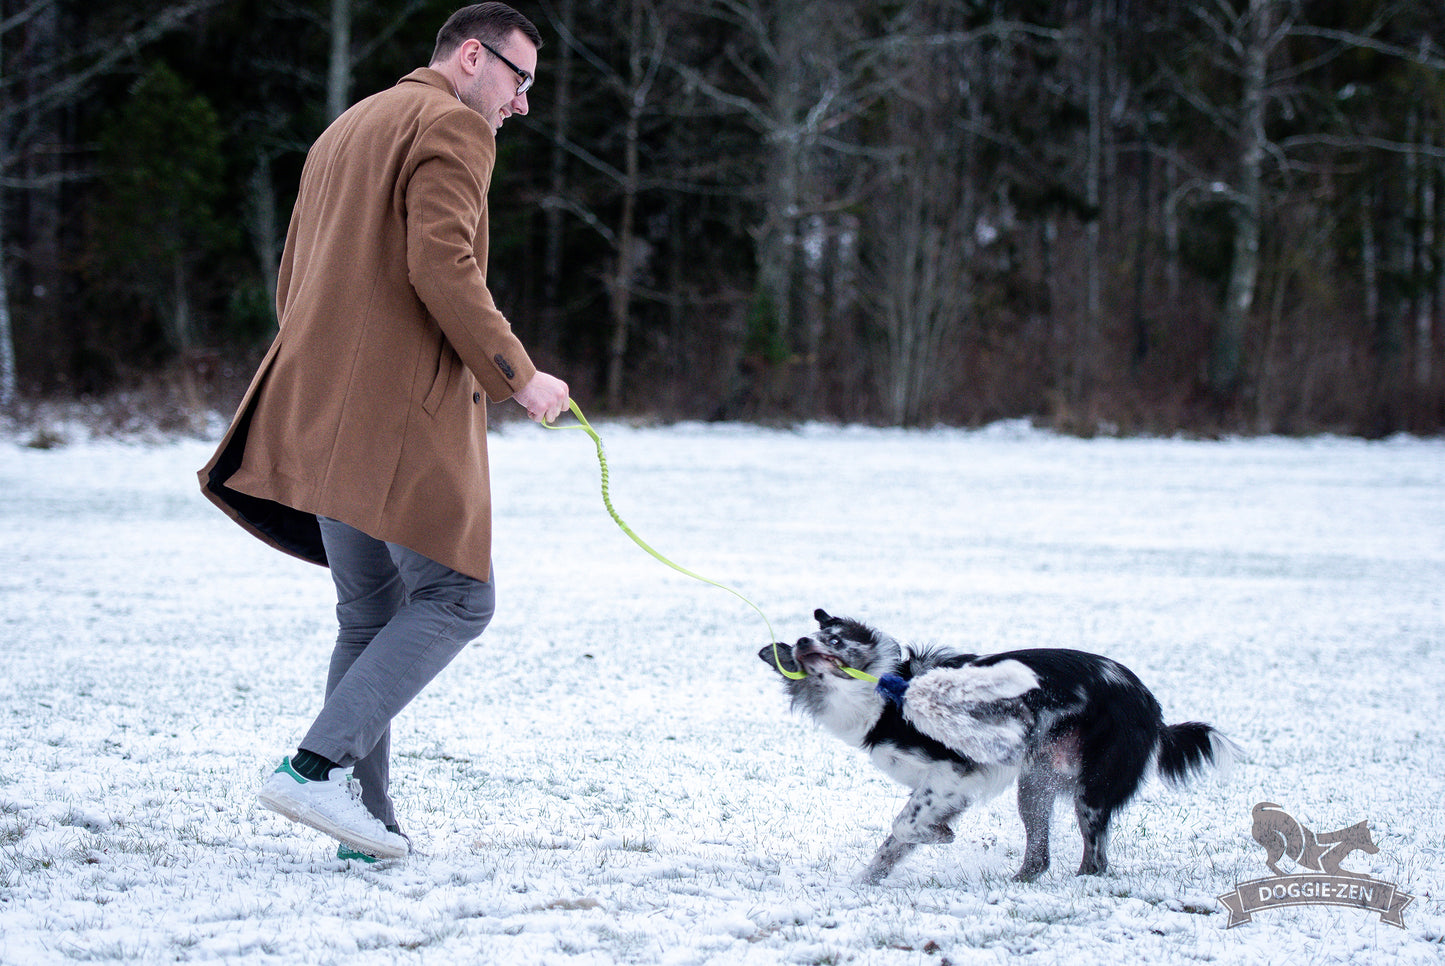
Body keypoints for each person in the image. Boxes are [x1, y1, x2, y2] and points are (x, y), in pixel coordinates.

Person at [198, 2, 569, 862]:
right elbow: (443, 263)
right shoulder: (451, 123)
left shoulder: (351, 122)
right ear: (472, 57)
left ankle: (366, 831)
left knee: (371, 615)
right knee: (458, 598)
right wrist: (519, 374)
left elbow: (294, 271)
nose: (520, 104)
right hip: (395, 409)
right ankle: (314, 769)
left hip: (321, 400)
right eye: (518, 81)